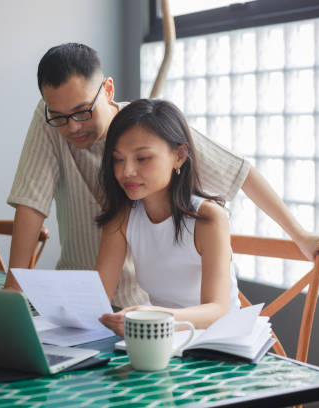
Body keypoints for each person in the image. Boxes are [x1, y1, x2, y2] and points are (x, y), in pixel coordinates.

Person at [5, 43, 319, 308]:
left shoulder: (147, 128)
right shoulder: (53, 119)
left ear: (107, 90)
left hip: (147, 305)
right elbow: (31, 200)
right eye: (60, 116)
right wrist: (14, 285)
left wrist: (300, 235)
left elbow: (238, 172)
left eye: (82, 111)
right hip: (87, 298)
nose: (72, 126)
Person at [96, 98, 238, 336]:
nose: (126, 171)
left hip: (220, 343)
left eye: (142, 158)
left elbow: (218, 311)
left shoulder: (209, 219)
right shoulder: (122, 217)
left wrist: (155, 318)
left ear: (179, 156)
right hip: (161, 338)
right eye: (118, 159)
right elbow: (97, 297)